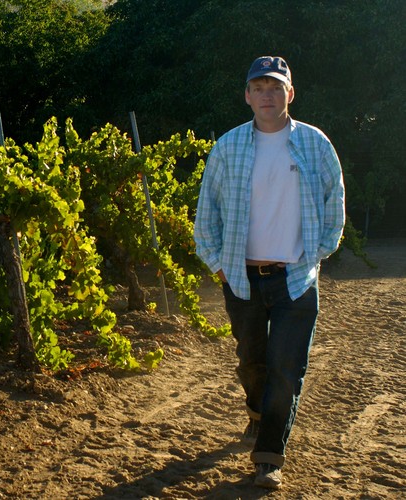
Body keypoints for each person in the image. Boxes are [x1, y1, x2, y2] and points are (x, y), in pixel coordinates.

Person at [194, 55, 345, 489]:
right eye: (259, 87)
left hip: (296, 280)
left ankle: (268, 456)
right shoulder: (228, 147)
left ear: (290, 94)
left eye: (275, 87)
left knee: (285, 368)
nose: (267, 94)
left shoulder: (316, 144)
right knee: (251, 362)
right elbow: (209, 213)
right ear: (246, 95)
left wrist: (317, 253)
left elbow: (335, 200)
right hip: (242, 279)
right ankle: (258, 413)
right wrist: (219, 265)